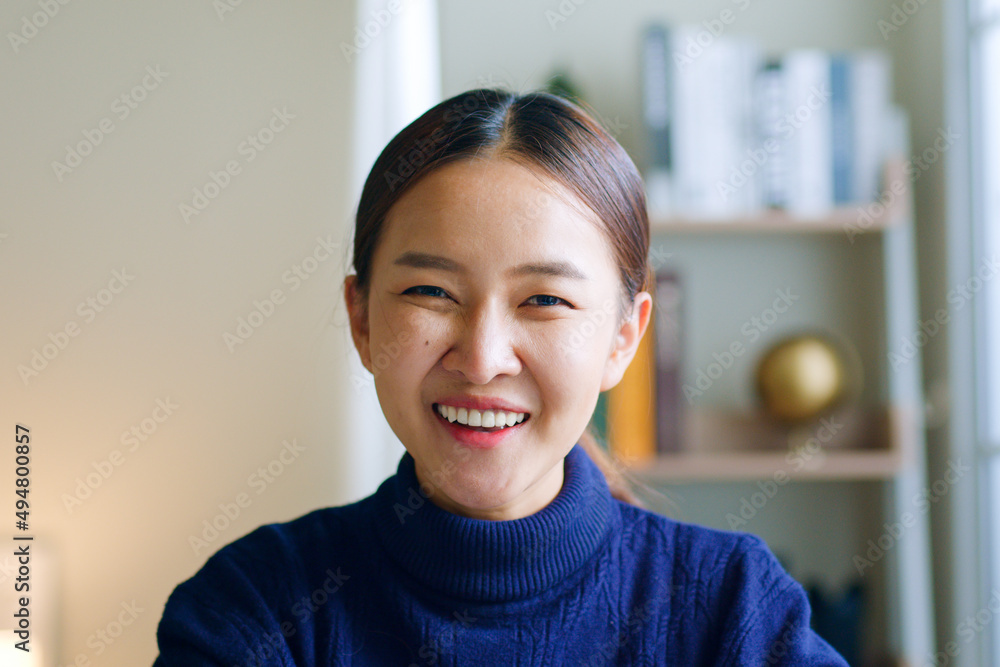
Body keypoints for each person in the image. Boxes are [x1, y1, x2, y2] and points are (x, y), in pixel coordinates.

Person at [153, 87, 849, 666]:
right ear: (361, 319)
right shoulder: (257, 606)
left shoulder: (732, 610)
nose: (483, 358)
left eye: (543, 300)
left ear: (623, 338)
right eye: (431, 291)